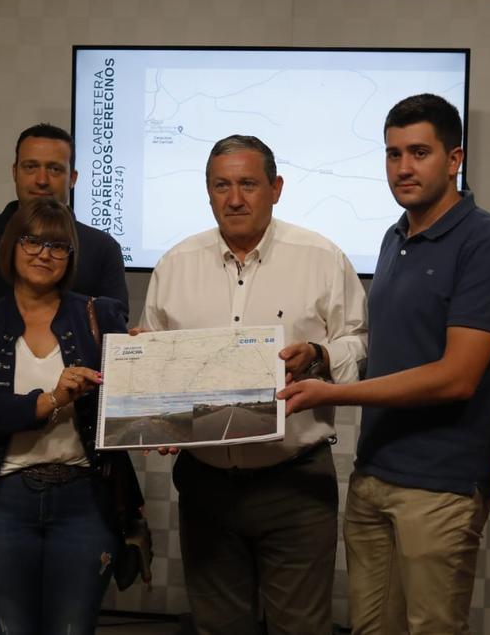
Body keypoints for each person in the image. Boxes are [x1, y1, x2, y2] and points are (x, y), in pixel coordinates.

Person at [279, 93, 490, 634]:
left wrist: (331, 395)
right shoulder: (396, 237)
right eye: (393, 154)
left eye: (419, 152)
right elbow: (391, 347)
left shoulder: (488, 244)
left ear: (455, 158)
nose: (403, 168)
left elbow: (457, 377)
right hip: (374, 475)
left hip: (441, 485)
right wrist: (321, 359)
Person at [140, 134, 368, 634]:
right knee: (218, 627)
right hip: (205, 486)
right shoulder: (175, 265)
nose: (235, 198)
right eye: (221, 185)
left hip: (294, 482)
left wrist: (321, 355)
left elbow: (358, 344)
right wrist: (148, 390)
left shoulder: (321, 258)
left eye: (248, 183)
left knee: (302, 628)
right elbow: (154, 360)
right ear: (207, 191)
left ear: (276, 188)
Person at [0, 123, 129, 634]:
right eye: (31, 166)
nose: (43, 253)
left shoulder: (100, 262)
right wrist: (46, 401)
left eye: (56, 247)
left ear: (74, 176)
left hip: (82, 486)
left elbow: (123, 368)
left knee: (72, 624)